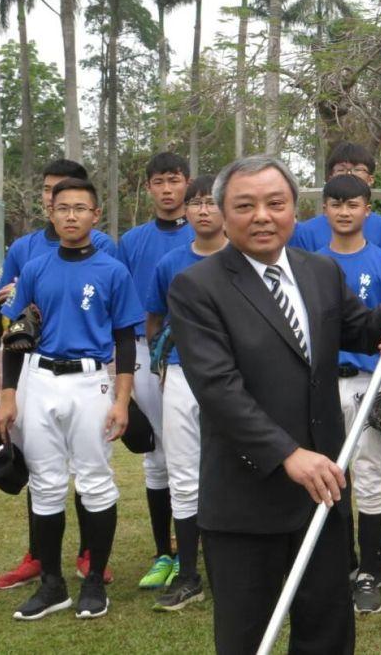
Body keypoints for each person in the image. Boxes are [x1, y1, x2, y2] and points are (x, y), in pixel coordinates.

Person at [168, 155, 381, 655]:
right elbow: (218, 388)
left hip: (323, 499)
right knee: (247, 636)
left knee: (327, 632)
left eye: (276, 203)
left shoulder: (319, 272)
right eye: (245, 205)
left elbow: (362, 329)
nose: (262, 216)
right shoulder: (197, 287)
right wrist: (287, 454)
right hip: (247, 502)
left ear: (295, 211)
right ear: (225, 215)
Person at [0, 178, 142, 620]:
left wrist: (122, 400)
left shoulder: (113, 272)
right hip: (39, 380)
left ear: (96, 216)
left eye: (81, 208)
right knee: (46, 483)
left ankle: (94, 581)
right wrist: (7, 395)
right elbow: (17, 336)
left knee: (95, 482)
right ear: (52, 215)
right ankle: (52, 585)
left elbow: (126, 340)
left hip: (90, 382)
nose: (71, 216)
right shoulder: (36, 268)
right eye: (63, 208)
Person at [314, 174, 381, 614]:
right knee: (328, 478)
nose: (344, 211)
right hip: (320, 384)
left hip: (369, 382)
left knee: (368, 476)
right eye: (335, 203)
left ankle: (369, 571)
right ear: (324, 210)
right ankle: (338, 565)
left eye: (353, 204)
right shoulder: (308, 264)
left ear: (368, 209)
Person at [143, 175, 227, 612]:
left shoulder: (244, 258)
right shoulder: (170, 263)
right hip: (180, 373)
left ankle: (237, 570)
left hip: (235, 375)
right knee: (183, 475)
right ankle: (190, 574)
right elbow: (155, 321)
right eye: (195, 203)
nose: (203, 210)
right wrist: (162, 362)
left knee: (239, 469)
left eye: (212, 202)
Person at [117, 152, 194, 591]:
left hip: (200, 357)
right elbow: (126, 312)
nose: (168, 189)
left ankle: (198, 544)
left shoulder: (209, 236)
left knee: (202, 452)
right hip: (149, 356)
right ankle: (164, 551)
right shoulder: (133, 242)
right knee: (158, 455)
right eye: (159, 181)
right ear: (148, 187)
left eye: (175, 180)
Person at [289, 142, 381, 252]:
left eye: (357, 170)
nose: (349, 175)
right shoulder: (305, 233)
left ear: (370, 179)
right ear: (330, 178)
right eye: (341, 170)